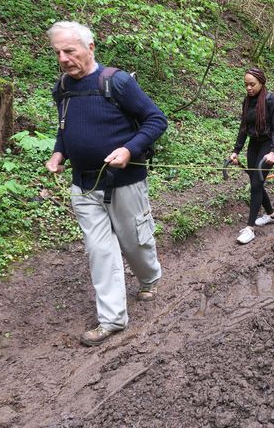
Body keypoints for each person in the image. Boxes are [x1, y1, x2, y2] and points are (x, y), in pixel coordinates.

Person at [45, 21, 168, 346]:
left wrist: (129, 149)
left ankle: (149, 277)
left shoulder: (117, 82)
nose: (63, 58)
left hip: (125, 181)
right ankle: (112, 319)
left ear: (90, 48)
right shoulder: (62, 88)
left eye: (69, 50)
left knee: (133, 243)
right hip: (83, 185)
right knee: (100, 251)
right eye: (58, 52)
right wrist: (59, 154)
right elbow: (64, 128)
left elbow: (156, 119)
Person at [230, 68, 274, 245]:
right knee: (256, 181)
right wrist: (236, 150)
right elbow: (243, 127)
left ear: (261, 82)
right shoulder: (247, 101)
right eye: (246, 85)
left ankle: (250, 229)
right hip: (254, 144)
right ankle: (271, 215)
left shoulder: (272, 100)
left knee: (256, 184)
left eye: (252, 84)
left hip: (268, 145)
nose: (249, 88)